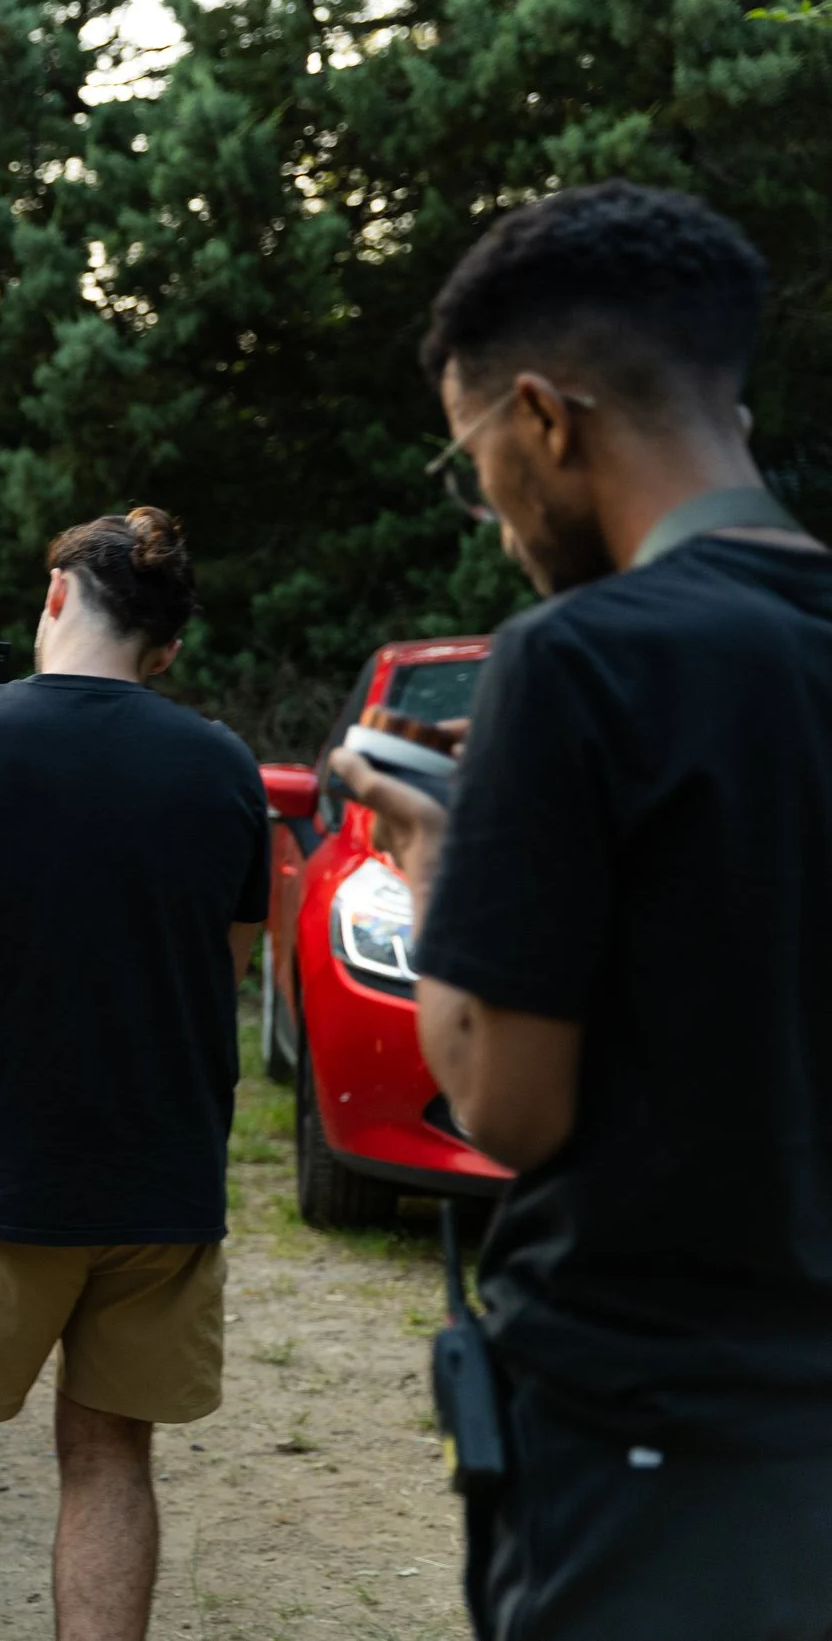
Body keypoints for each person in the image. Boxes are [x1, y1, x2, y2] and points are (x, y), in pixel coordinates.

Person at [332, 181, 832, 1641]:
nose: (491, 518)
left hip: (653, 1446)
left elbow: (509, 1101)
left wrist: (441, 858)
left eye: (473, 455)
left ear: (544, 416)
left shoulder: (580, 659)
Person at [0, 508, 266, 1641]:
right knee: (109, 1452)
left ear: (53, 597)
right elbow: (221, 964)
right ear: (168, 648)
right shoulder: (222, 763)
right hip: (159, 1176)